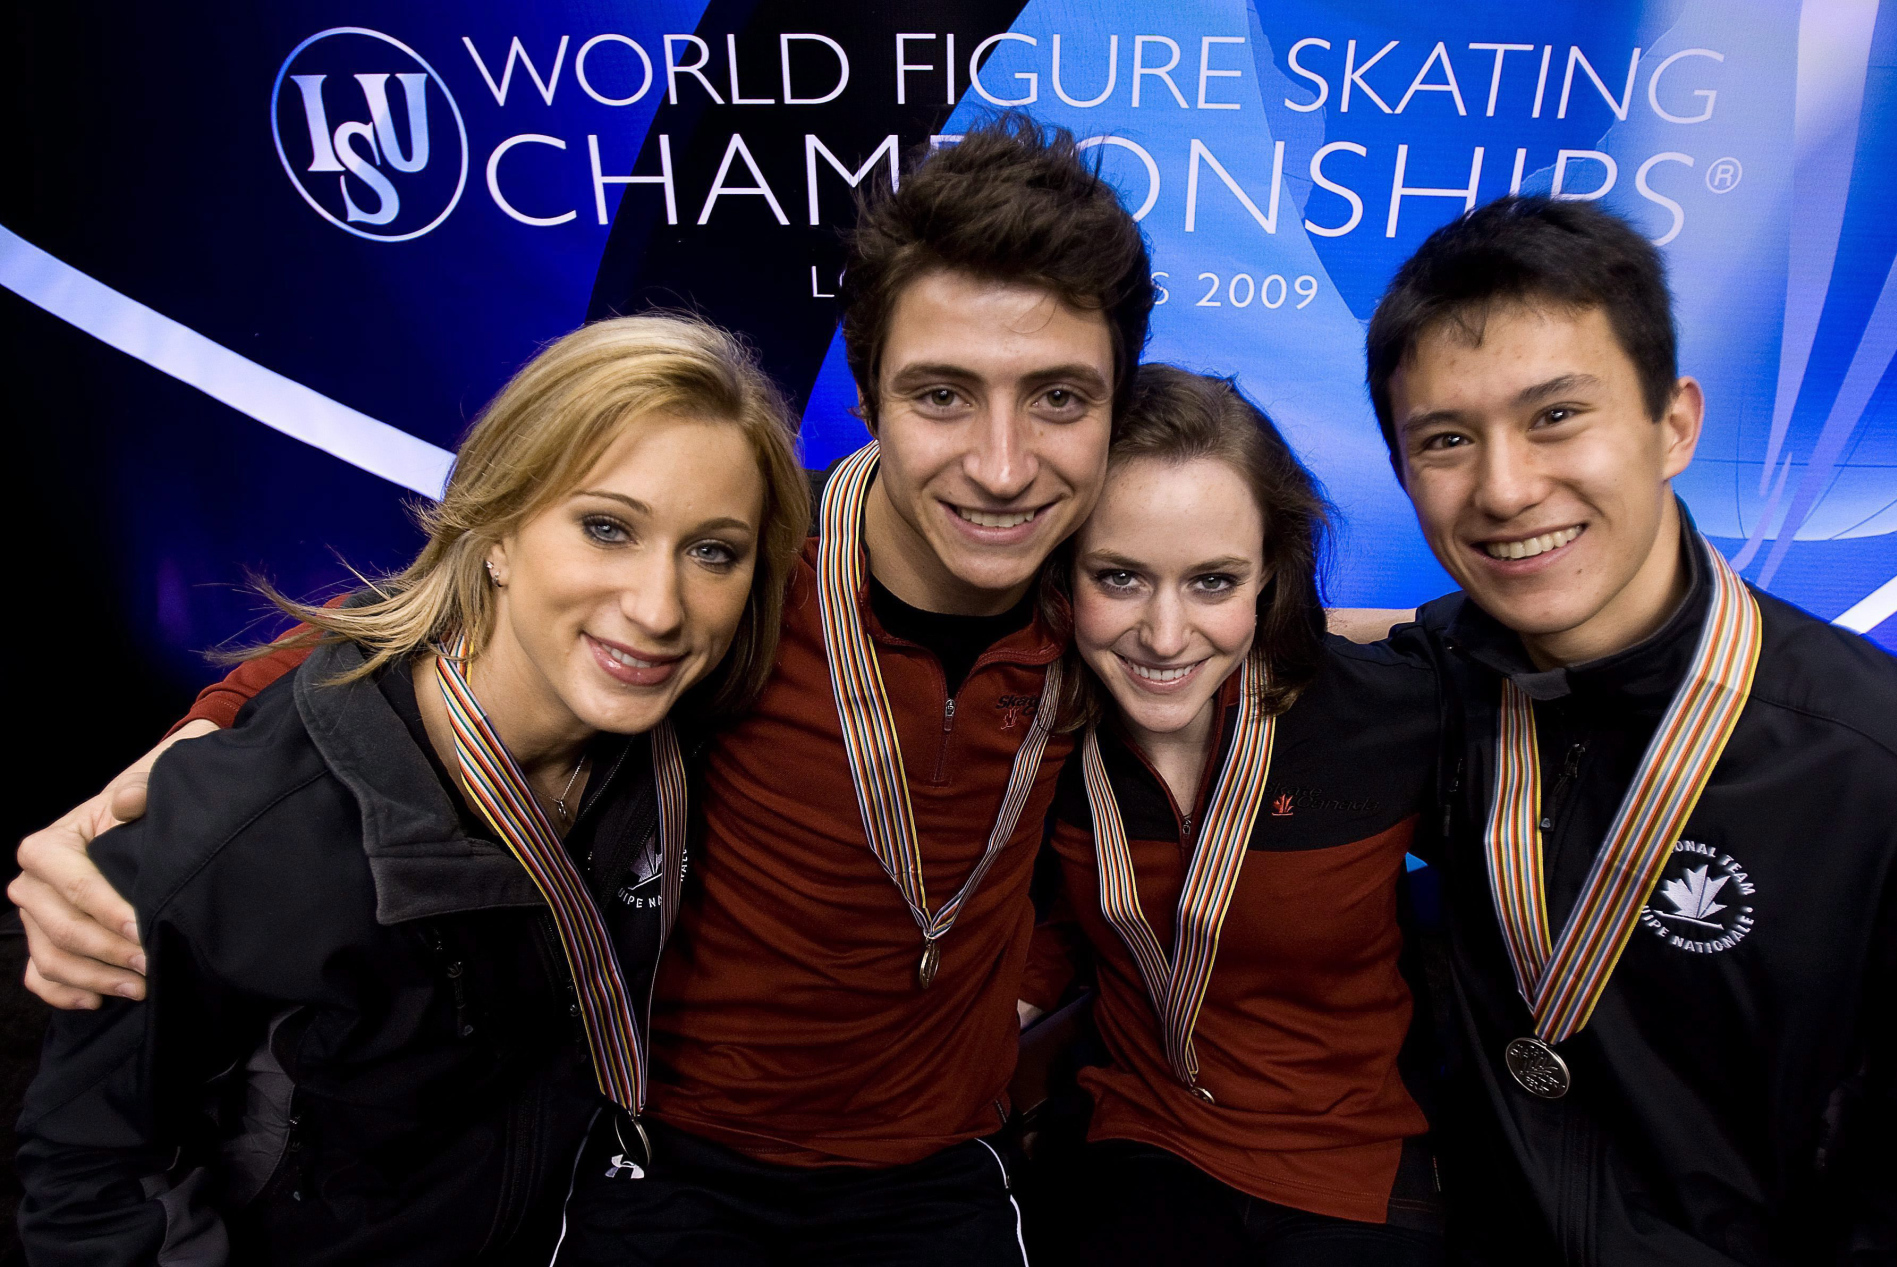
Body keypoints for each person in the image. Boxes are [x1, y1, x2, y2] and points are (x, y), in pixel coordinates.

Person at [14, 115, 1155, 1264]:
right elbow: (432, 627)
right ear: (865, 395)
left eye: (1059, 398)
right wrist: (187, 759)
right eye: (940, 395)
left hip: (935, 1170)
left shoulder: (1117, 600)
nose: (1001, 466)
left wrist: (1022, 988)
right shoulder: (744, 562)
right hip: (662, 1155)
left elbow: (1189, 762)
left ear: (1117, 406)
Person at [14, 312, 813, 1263]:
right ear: (497, 529)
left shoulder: (675, 725)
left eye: (713, 551)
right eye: (606, 528)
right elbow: (90, 1183)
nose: (659, 607)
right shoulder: (258, 820)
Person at [1370, 195, 1897, 1263]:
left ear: (1674, 424)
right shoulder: (1431, 688)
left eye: (1555, 416)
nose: (1504, 489)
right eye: (1445, 440)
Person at [1016, 365, 1446, 1266]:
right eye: (1120, 577)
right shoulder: (1039, 732)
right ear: (1061, 572)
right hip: (1141, 1138)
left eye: (1213, 581)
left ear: (1269, 577)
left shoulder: (1388, 716)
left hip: (1350, 1163)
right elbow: (1044, 921)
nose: (1165, 636)